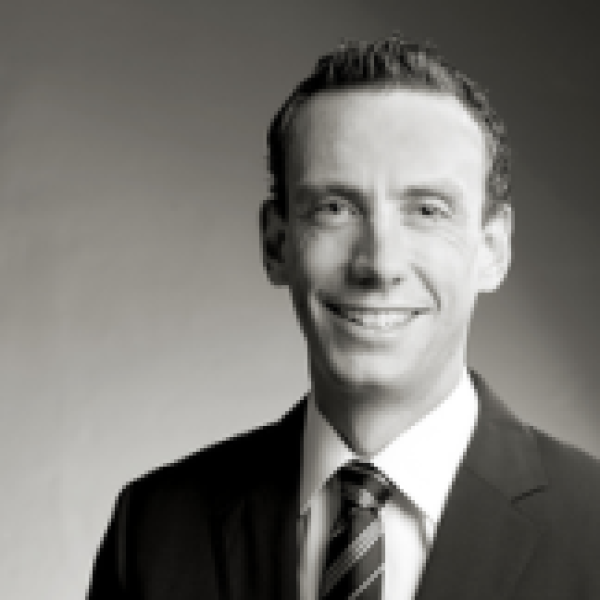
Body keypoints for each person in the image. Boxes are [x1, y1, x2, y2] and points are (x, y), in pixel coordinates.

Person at [87, 35, 600, 600]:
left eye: (427, 211)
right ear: (276, 243)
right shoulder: (153, 530)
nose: (379, 264)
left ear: (494, 249)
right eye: (335, 208)